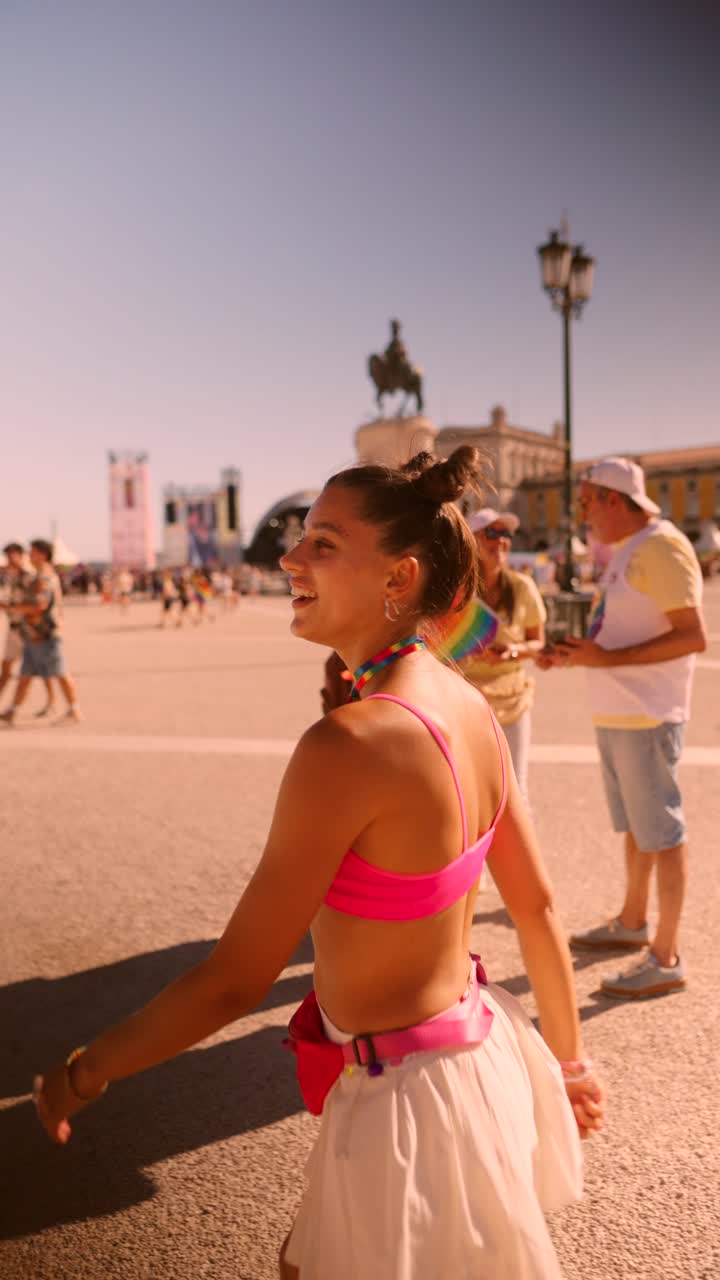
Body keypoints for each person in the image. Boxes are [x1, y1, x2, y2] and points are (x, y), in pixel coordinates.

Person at [34, 449, 603, 1279]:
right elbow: (539, 909)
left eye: (324, 545)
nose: (290, 560)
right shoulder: (466, 705)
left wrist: (84, 1074)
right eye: (302, 540)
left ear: (399, 577)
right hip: (477, 1056)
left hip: (404, 1106)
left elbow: (233, 981)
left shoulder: (348, 744)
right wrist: (573, 1064)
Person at [537, 457, 706, 998]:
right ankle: (632, 923)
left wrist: (605, 661)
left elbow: (691, 636)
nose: (581, 512)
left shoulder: (662, 545)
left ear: (612, 499)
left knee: (662, 831)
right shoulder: (628, 550)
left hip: (647, 713)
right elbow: (616, 629)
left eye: (585, 501)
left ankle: (667, 955)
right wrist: (574, 655)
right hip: (619, 710)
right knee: (637, 827)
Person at [458, 508, 547, 803]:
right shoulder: (456, 592)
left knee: (516, 789)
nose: (501, 541)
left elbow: (537, 644)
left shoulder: (523, 587)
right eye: (491, 533)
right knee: (468, 790)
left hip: (512, 700)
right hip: (466, 702)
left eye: (506, 533)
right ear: (471, 540)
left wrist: (512, 652)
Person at [0, 539, 81, 726]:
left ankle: (74, 709)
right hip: (33, 634)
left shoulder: (44, 577)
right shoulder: (40, 574)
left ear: (42, 554)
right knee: (26, 673)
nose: (30, 555)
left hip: (46, 633)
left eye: (33, 552)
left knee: (60, 672)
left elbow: (40, 605)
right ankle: (12, 710)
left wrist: (13, 607)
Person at [0, 543, 56, 718]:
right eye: (8, 555)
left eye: (14, 555)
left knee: (39, 667)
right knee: (8, 667)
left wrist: (13, 607)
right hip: (14, 628)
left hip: (29, 628)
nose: (11, 558)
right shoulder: (5, 576)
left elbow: (37, 603)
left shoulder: (30, 576)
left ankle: (52, 701)